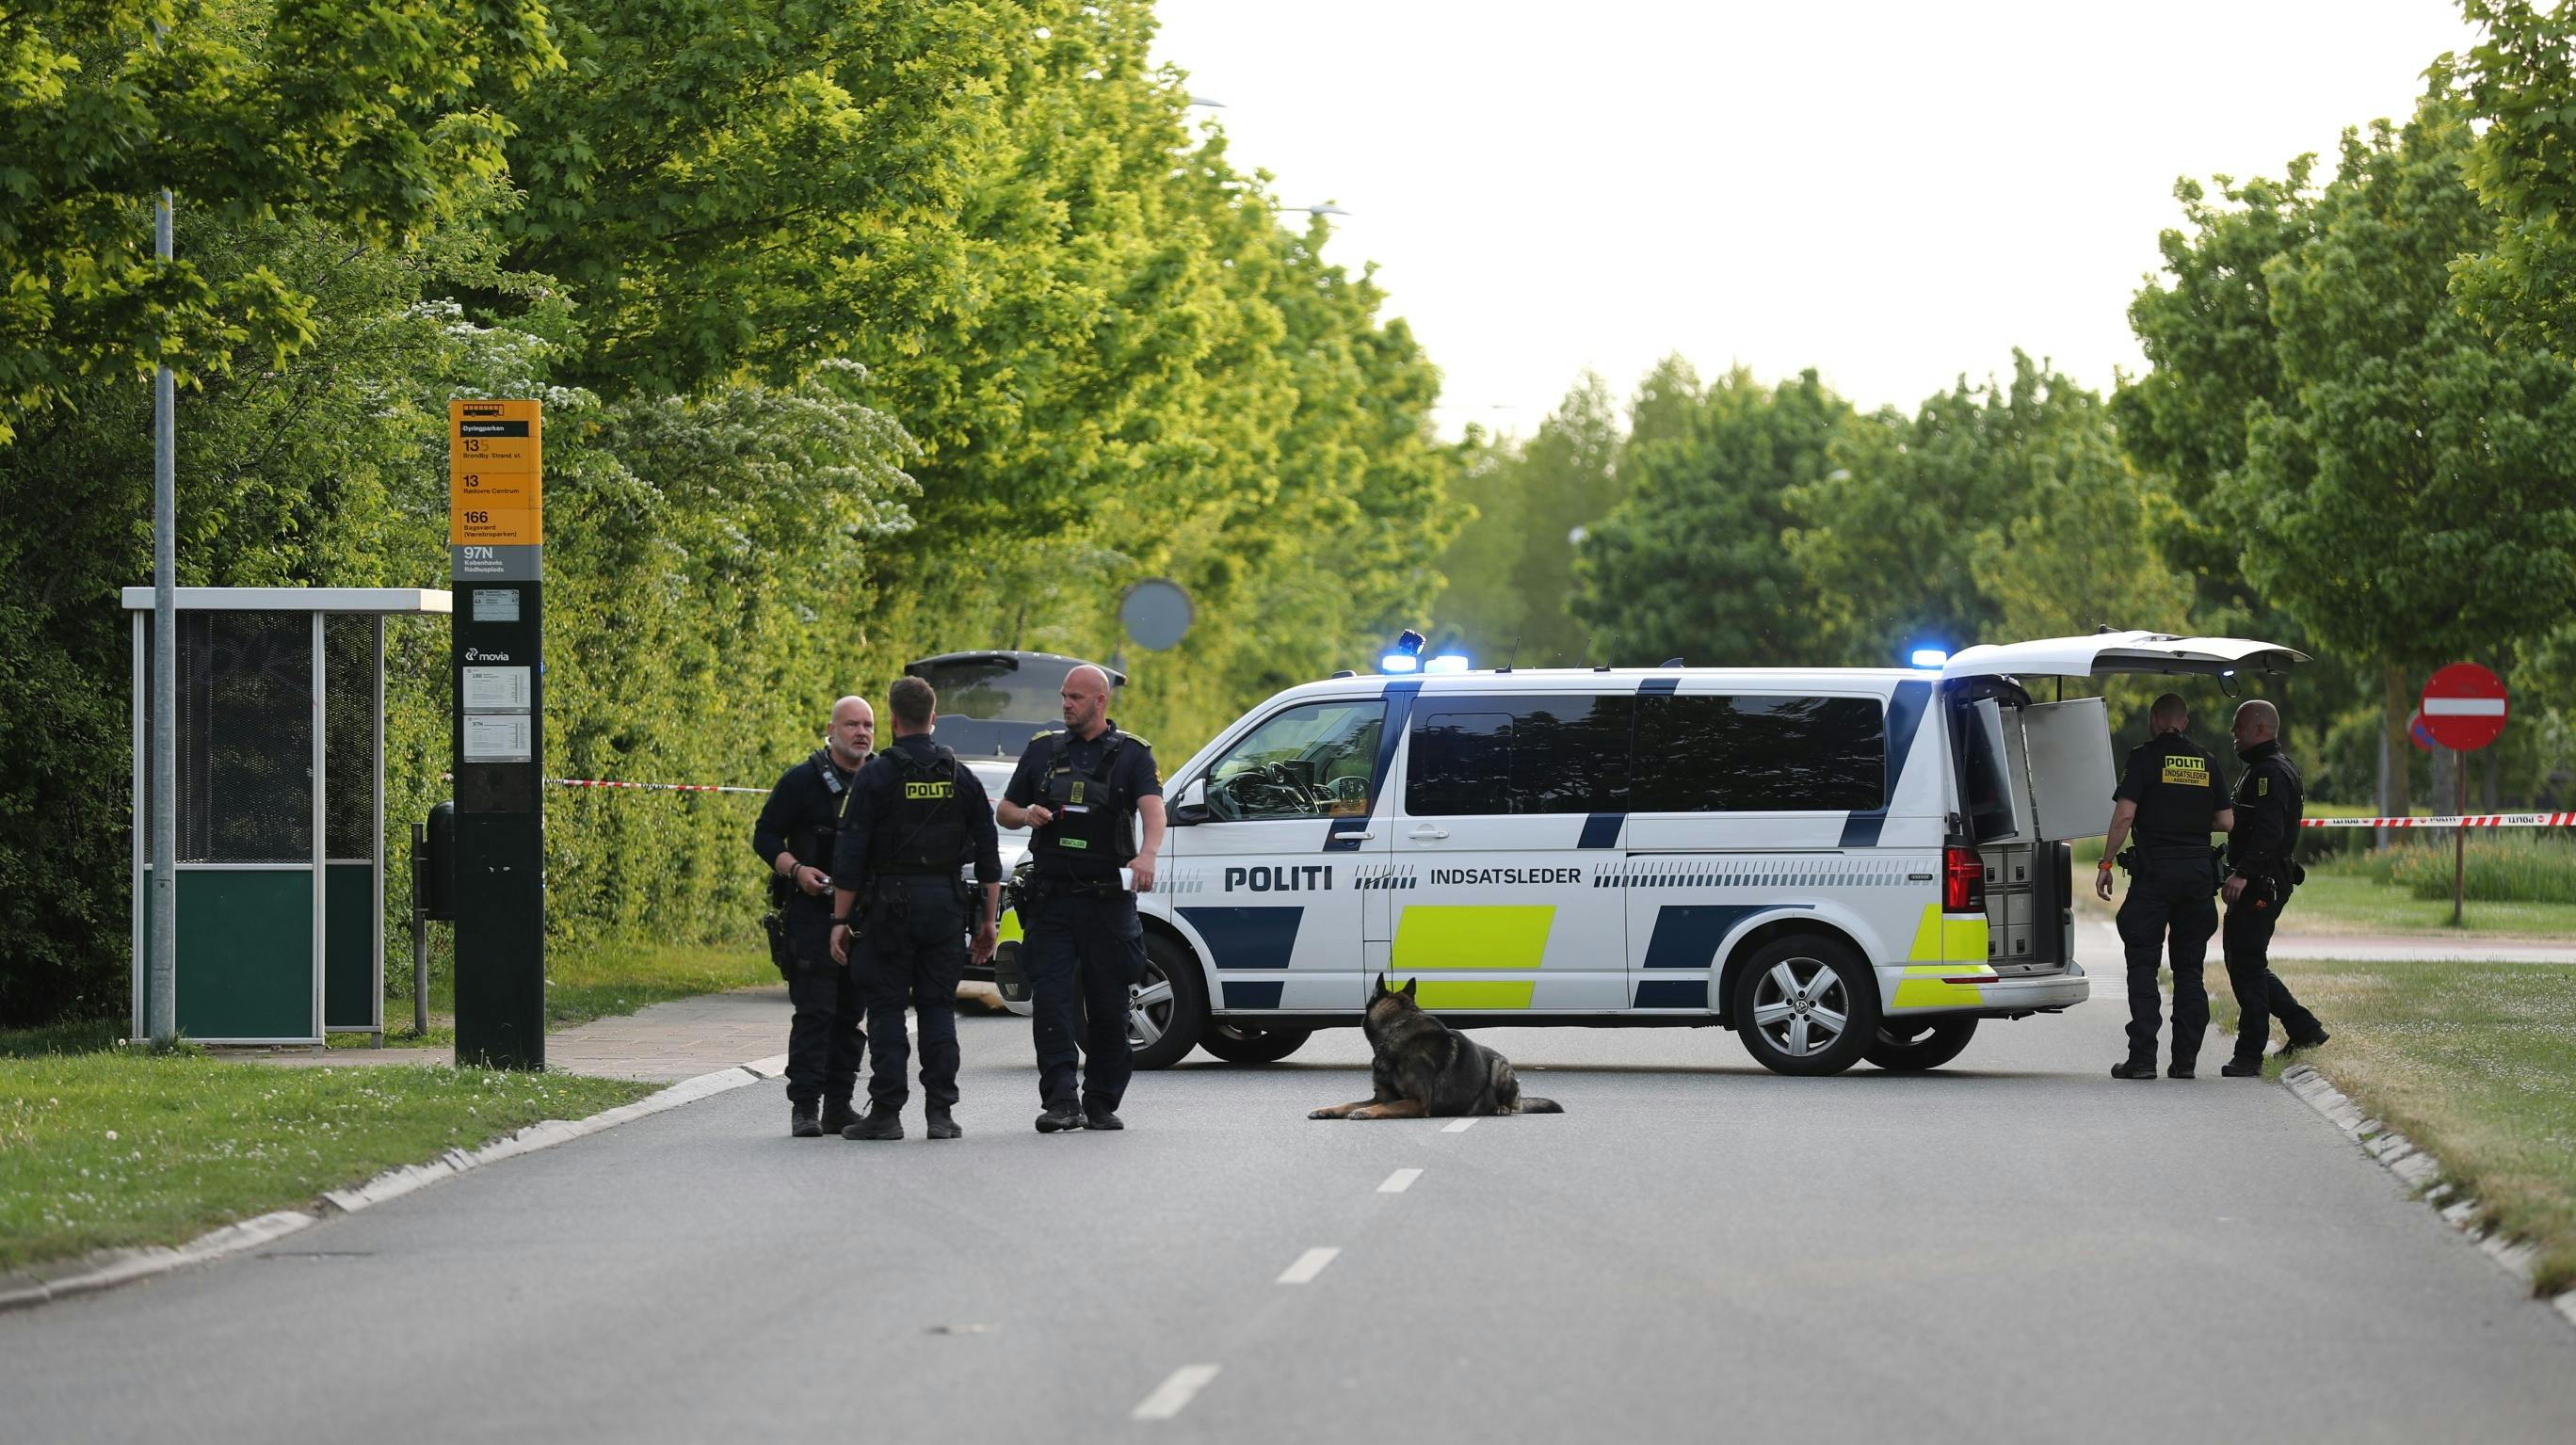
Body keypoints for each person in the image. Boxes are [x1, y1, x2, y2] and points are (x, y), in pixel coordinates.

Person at [829, 677, 1002, 1141]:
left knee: (887, 1009)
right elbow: (989, 855)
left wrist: (840, 920)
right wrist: (988, 922)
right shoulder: (959, 776)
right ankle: (941, 1114)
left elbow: (850, 857)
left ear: (892, 719)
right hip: (945, 907)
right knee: (937, 1008)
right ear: (933, 718)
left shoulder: (875, 776)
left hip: (889, 908)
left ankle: (886, 1113)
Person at [996, 664, 1165, 1134]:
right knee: (1051, 1003)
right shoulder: (1043, 751)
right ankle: (1061, 1102)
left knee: (1109, 1007)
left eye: (1076, 697)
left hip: (1108, 903)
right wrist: (1026, 815)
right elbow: (1005, 809)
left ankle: (1101, 1102)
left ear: (1100, 701)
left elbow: (1154, 809)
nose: (1066, 704)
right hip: (1052, 901)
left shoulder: (1132, 755)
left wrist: (1148, 855)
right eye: (1064, 696)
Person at [749, 696, 875, 1137]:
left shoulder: (881, 778)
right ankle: (805, 1107)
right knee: (815, 1013)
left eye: (868, 725)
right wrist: (797, 869)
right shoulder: (802, 780)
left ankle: (839, 1105)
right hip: (811, 913)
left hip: (863, 917)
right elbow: (765, 835)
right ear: (831, 730)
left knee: (850, 1016)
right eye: (852, 725)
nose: (861, 733)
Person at [2096, 692, 2234, 1080]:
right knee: (2189, 970)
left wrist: (2106, 863)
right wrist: (2191, 821)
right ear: (2184, 722)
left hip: (2155, 873)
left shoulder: (2144, 757)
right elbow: (2226, 821)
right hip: (2197, 875)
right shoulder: (2207, 760)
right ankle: (2185, 1062)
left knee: (2143, 964)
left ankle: (2142, 1060)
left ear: (2155, 718)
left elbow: (2125, 816)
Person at [2219, 698, 2328, 1076]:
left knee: (2246, 963)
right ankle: (2304, 1028)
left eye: (2239, 726)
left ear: (2260, 729)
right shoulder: (2260, 769)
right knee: (2245, 960)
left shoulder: (2271, 773)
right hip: (2260, 876)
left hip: (2261, 880)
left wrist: (2243, 874)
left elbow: (2269, 832)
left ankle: (2249, 1054)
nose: (2234, 733)